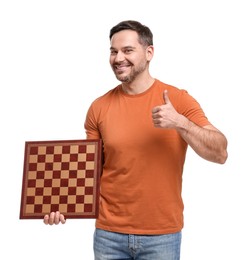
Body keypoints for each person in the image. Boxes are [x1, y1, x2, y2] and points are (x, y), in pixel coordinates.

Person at [44, 20, 228, 259]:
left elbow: (220, 152)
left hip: (162, 236)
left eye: (127, 50)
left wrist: (180, 122)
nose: (118, 58)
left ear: (149, 52)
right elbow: (89, 171)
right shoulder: (98, 108)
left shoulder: (178, 100)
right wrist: (60, 204)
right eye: (113, 51)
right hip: (108, 235)